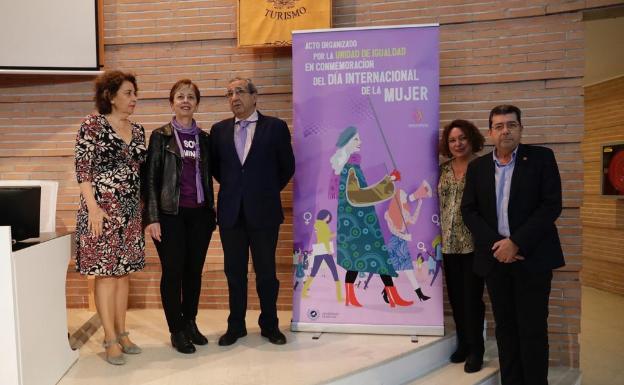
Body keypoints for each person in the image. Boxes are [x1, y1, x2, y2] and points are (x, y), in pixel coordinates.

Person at [461, 105, 565, 385]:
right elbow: (469, 210)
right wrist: (499, 245)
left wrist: (516, 243)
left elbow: (551, 205)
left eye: (511, 124)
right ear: (490, 132)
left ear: (521, 128)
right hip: (496, 261)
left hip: (532, 258)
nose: (505, 130)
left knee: (532, 329)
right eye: (499, 126)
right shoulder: (477, 167)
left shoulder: (542, 158)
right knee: (505, 328)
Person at [211, 77, 295, 346]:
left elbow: (287, 167)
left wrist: (264, 190)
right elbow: (217, 169)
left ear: (254, 96)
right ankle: (236, 326)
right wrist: (238, 189)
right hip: (231, 214)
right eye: (229, 93)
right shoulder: (219, 130)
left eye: (239, 91)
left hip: (264, 213)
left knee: (266, 273)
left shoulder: (276, 127)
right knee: (234, 273)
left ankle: (270, 325)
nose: (234, 97)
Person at [74, 70, 146, 365]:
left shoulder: (139, 130)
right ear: (110, 96)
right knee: (105, 274)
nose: (134, 99)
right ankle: (109, 339)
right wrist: (92, 207)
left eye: (134, 93)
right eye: (128, 93)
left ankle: (122, 332)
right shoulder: (92, 125)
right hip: (101, 212)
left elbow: (140, 171)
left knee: (123, 273)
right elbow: (83, 169)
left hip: (130, 213)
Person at [144, 79, 216, 354]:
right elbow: (149, 180)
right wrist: (152, 218)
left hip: (199, 215)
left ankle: (190, 323)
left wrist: (211, 212)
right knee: (173, 273)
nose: (185, 101)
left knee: (193, 273)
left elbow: (210, 177)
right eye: (180, 96)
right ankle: (176, 329)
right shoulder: (160, 137)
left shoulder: (205, 139)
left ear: (197, 103)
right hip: (169, 214)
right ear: (172, 102)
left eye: (191, 97)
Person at [329, 126, 413, 308]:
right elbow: (356, 196)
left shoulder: (350, 167)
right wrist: (388, 181)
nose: (360, 142)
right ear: (347, 143)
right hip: (359, 223)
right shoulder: (350, 169)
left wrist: (388, 180)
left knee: (365, 258)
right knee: (373, 257)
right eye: (356, 139)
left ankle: (386, 296)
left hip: (357, 222)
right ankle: (390, 296)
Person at [438, 119, 486, 373]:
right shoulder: (443, 170)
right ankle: (464, 344)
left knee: (472, 299)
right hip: (448, 244)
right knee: (456, 298)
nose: (457, 144)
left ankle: (477, 348)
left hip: (474, 244)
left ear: (471, 139)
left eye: (462, 138)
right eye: (452, 140)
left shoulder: (482, 167)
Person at [383, 188, 431, 302]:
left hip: (402, 244)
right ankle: (386, 293)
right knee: (398, 271)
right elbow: (393, 230)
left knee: (406, 270)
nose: (405, 198)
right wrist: (404, 237)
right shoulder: (388, 214)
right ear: (398, 198)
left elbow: (413, 220)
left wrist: (419, 204)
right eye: (403, 196)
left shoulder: (405, 212)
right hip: (395, 243)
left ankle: (419, 295)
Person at [301, 209, 343, 302]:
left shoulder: (317, 224)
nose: (329, 218)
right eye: (328, 216)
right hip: (324, 249)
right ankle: (339, 296)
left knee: (314, 272)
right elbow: (325, 239)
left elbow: (324, 236)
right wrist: (328, 250)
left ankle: (303, 292)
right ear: (324, 216)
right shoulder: (323, 225)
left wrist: (334, 234)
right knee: (334, 271)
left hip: (319, 250)